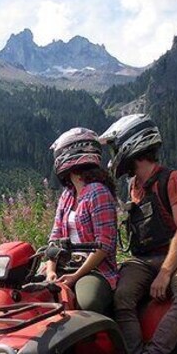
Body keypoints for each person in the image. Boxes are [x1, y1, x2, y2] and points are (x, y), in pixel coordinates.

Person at [99, 114, 177, 354]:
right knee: (121, 296)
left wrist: (166, 272)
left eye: (116, 148)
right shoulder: (134, 186)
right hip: (143, 259)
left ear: (133, 145)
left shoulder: (173, 180)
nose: (114, 156)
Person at [45, 128, 118, 315]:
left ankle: (99, 340)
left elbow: (105, 244)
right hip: (64, 265)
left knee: (88, 302)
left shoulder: (98, 192)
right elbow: (55, 237)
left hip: (95, 270)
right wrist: (50, 271)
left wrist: (76, 276)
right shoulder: (67, 195)